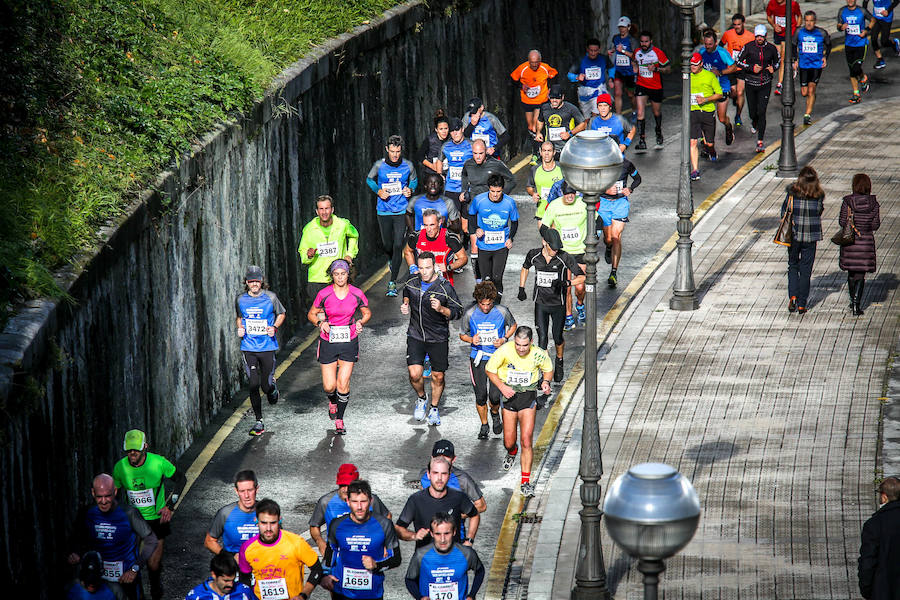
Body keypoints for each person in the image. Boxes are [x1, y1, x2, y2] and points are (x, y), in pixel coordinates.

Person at [112, 430, 185, 600]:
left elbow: (181, 479)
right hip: (133, 522)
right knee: (132, 566)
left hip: (156, 521)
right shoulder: (120, 467)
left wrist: (170, 506)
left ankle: (156, 587)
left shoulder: (158, 463)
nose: (132, 454)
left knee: (153, 565)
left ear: (145, 447)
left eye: (136, 450)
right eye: (129, 450)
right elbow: (115, 494)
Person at [486, 326, 553, 497]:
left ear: (531, 342)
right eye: (518, 344)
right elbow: (489, 369)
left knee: (526, 440)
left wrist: (546, 382)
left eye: (524, 345)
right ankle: (512, 452)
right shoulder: (505, 350)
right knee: (509, 441)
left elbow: (547, 368)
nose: (521, 349)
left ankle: (525, 481)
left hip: (528, 398)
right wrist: (502, 387)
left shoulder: (538, 353)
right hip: (509, 399)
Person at [68, 474, 158, 600]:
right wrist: (75, 552)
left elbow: (151, 540)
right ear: (93, 493)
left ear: (115, 491)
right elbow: (76, 537)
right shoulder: (87, 512)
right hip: (97, 579)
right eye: (99, 497)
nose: (103, 501)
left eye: (107, 496)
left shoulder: (129, 513)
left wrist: (135, 569)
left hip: (126, 580)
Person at [308, 260, 370, 434]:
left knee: (343, 383)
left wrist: (360, 322)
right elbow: (312, 314)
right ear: (332, 275)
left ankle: (340, 420)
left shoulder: (357, 293)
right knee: (329, 386)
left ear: (348, 274)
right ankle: (333, 401)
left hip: (348, 340)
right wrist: (321, 323)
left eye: (343, 273)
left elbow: (366, 312)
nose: (340, 277)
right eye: (336, 274)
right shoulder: (324, 294)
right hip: (328, 341)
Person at [401, 251, 464, 425]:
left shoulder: (444, 286)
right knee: (415, 375)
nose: (424, 272)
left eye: (428, 268)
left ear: (435, 266)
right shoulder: (412, 281)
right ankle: (422, 398)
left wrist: (442, 310)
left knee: (438, 377)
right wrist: (406, 303)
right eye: (421, 268)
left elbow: (458, 310)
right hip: (415, 335)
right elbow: (407, 291)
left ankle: (434, 408)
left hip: (438, 337)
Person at [518, 228, 584, 382]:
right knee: (542, 339)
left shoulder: (564, 257)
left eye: (557, 248)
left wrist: (568, 282)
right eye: (552, 247)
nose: (555, 250)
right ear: (544, 243)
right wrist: (521, 288)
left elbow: (581, 277)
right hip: (540, 303)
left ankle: (559, 361)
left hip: (558, 304)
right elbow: (525, 267)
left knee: (557, 337)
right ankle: (544, 372)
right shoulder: (534, 254)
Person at [323, 480, 401, 600]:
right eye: (354, 501)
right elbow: (330, 554)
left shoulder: (384, 524)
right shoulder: (337, 524)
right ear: (348, 502)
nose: (359, 507)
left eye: (363, 501)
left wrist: (377, 565)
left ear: (371, 501)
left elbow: (396, 559)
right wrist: (324, 575)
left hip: (372, 594)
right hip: (342, 594)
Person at [459, 281, 517, 439]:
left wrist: (504, 338)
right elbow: (462, 334)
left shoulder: (501, 311)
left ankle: (495, 413)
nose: (485, 307)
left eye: (489, 304)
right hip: (478, 358)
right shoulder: (470, 313)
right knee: (481, 395)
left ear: (493, 301)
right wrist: (472, 340)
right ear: (477, 301)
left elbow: (513, 325)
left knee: (494, 396)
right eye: (482, 304)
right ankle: (484, 425)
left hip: (497, 360)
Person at [238, 498, 325, 600]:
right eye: (264, 523)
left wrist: (303, 595)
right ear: (256, 521)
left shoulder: (296, 543)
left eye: (273, 523)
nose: (268, 528)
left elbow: (317, 570)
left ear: (280, 520)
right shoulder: (247, 547)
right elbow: (244, 580)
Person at [236, 265, 286, 436]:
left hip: (267, 346)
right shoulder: (241, 299)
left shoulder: (270, 298)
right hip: (249, 347)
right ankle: (259, 421)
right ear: (247, 283)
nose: (254, 284)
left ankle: (272, 389)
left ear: (261, 281)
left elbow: (281, 314)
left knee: (265, 386)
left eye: (257, 281)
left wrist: (274, 327)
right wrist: (240, 328)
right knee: (253, 384)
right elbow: (240, 317)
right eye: (251, 281)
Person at [366, 135, 417, 297]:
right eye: (392, 151)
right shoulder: (379, 165)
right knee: (387, 245)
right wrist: (378, 190)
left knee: (397, 245)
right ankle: (391, 259)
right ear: (387, 150)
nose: (395, 155)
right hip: (383, 210)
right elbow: (369, 179)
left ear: (401, 151)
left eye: (398, 152)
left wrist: (410, 189)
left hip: (401, 210)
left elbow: (414, 180)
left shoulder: (408, 165)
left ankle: (392, 282)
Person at [395, 456, 480, 548]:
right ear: (428, 474)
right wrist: (414, 536)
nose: (439, 478)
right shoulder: (416, 500)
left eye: (443, 474)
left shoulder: (459, 497)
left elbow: (475, 515)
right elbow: (399, 528)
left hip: (453, 558)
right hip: (426, 559)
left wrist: (469, 540)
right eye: (435, 473)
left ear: (449, 475)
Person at [460, 140, 516, 279]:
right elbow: (464, 175)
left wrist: (500, 196)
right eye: (475, 153)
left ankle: (492, 276)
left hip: (491, 212)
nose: (477, 157)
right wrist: (464, 191)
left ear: (486, 152)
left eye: (480, 153)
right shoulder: (468, 164)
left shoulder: (495, 164)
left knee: (491, 245)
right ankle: (479, 283)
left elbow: (512, 180)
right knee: (475, 246)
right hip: (474, 209)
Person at [309, 464, 392, 556]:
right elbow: (314, 526)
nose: (345, 489)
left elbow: (387, 517)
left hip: (367, 552)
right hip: (337, 553)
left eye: (349, 485)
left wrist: (384, 543)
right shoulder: (326, 502)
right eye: (342, 485)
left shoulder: (371, 501)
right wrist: (320, 542)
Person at [404, 513, 486, 600]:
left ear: (454, 532)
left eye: (447, 533)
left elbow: (480, 571)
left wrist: (471, 595)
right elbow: (409, 579)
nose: (442, 540)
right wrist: (420, 597)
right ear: (431, 534)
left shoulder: (467, 553)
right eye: (438, 534)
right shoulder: (421, 554)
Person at [541, 181, 588, 328]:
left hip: (580, 250)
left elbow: (598, 220)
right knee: (566, 287)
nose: (570, 197)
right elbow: (544, 227)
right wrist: (551, 242)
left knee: (580, 287)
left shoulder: (583, 203)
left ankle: (580, 304)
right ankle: (568, 316)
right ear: (562, 193)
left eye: (573, 194)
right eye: (567, 194)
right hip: (564, 252)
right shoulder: (554, 205)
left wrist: (596, 236)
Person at [298, 195, 360, 301]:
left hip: (338, 277)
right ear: (317, 211)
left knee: (338, 313)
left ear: (332, 210)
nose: (324, 212)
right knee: (320, 315)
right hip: (317, 279)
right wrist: (308, 256)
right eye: (321, 209)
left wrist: (350, 254)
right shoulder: (309, 229)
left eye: (327, 208)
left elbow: (354, 236)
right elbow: (302, 253)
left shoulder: (342, 224)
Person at [781, 166, 825, 314]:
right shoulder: (818, 195)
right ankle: (802, 304)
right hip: (811, 237)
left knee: (793, 265)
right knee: (806, 270)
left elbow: (784, 212)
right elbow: (819, 211)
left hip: (793, 235)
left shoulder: (792, 194)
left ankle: (793, 295)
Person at [468, 173, 519, 297]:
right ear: (488, 188)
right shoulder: (479, 200)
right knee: (486, 280)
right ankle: (486, 305)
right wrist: (476, 229)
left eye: (498, 191)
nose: (495, 194)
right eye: (492, 191)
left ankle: (496, 305)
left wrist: (511, 238)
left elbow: (514, 222)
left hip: (501, 246)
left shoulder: (509, 202)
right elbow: (471, 215)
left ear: (502, 189)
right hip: (484, 246)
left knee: (497, 278)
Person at [838, 173, 881, 316]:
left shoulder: (848, 202)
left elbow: (842, 222)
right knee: (861, 274)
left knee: (851, 272)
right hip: (866, 242)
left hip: (850, 241)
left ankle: (852, 301)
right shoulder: (873, 204)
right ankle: (857, 304)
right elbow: (875, 225)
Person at [599, 157, 641, 288]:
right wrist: (605, 190)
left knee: (616, 236)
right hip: (604, 203)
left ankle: (613, 272)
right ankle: (608, 246)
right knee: (609, 239)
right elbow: (590, 183)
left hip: (620, 203)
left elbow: (638, 179)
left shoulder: (627, 164)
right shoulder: (600, 163)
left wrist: (630, 189)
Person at [737, 25, 779, 153]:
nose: (759, 38)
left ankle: (760, 141)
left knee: (762, 111)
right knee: (752, 112)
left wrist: (774, 68)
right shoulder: (749, 47)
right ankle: (754, 121)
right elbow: (738, 60)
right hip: (750, 83)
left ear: (766, 36)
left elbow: (778, 61)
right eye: (757, 36)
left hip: (765, 84)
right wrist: (750, 68)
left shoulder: (771, 48)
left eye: (761, 36)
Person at [510, 50, 558, 162]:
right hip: (527, 101)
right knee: (531, 127)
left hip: (541, 100)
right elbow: (512, 79)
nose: (534, 65)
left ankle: (537, 152)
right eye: (532, 62)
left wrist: (550, 89)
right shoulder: (522, 69)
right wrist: (522, 85)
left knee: (537, 125)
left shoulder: (545, 68)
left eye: (536, 62)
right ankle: (536, 146)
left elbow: (554, 75)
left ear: (540, 61)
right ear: (528, 61)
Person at [858, 476, 900, 599]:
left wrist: (866, 588)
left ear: (884, 496)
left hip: (884, 590)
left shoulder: (874, 525)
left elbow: (868, 561)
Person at [405, 209, 467, 287]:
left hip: (443, 285)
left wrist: (449, 267)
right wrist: (413, 267)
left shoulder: (450, 238)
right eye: (426, 225)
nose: (428, 229)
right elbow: (407, 251)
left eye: (432, 225)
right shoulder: (416, 236)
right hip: (422, 284)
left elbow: (463, 258)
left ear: (439, 222)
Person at [205, 470, 260, 556]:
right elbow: (209, 541)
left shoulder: (267, 511)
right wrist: (229, 558)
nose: (246, 496)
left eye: (250, 490)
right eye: (242, 491)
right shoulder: (225, 513)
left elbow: (279, 540)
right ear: (236, 491)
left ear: (257, 489)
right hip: (234, 566)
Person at [632, 30, 671, 151]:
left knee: (656, 112)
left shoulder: (657, 53)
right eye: (642, 41)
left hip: (655, 87)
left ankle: (658, 131)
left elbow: (668, 69)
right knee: (640, 112)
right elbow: (634, 61)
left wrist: (656, 69)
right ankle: (642, 139)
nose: (644, 44)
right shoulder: (637, 52)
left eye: (646, 41)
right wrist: (635, 68)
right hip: (641, 85)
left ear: (651, 41)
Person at [697, 29, 736, 145]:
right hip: (708, 89)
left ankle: (729, 127)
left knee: (721, 118)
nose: (707, 47)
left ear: (715, 43)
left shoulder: (722, 53)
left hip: (722, 88)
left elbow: (733, 67)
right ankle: (707, 143)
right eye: (706, 44)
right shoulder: (702, 52)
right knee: (706, 118)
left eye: (710, 44)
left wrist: (720, 72)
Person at [689, 52, 724, 181]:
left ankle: (712, 150)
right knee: (692, 142)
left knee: (709, 144)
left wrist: (705, 99)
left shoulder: (710, 76)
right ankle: (695, 170)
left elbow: (719, 94)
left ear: (701, 64)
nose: (692, 67)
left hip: (708, 112)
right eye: (691, 64)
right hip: (693, 112)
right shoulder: (688, 76)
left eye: (695, 65)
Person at [792, 11, 832, 125]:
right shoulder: (799, 32)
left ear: (815, 21)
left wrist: (825, 57)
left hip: (816, 65)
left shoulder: (822, 33)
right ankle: (811, 96)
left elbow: (829, 45)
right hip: (804, 65)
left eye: (811, 21)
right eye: (807, 21)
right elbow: (793, 45)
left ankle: (807, 114)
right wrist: (795, 59)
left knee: (811, 89)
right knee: (804, 92)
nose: (809, 23)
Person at [720, 13, 756, 127]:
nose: (737, 27)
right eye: (734, 25)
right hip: (731, 68)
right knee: (733, 92)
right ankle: (734, 98)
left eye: (739, 24)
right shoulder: (728, 34)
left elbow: (755, 50)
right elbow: (720, 47)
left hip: (743, 68)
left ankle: (738, 115)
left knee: (740, 92)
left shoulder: (750, 36)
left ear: (743, 23)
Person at [568, 37, 616, 119]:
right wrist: (577, 77)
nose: (593, 53)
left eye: (596, 50)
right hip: (585, 92)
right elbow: (569, 75)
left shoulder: (603, 58)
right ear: (587, 49)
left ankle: (597, 129)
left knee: (596, 113)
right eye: (591, 50)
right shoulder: (581, 60)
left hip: (599, 90)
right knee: (586, 118)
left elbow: (611, 68)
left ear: (599, 49)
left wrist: (611, 78)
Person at [838, 0, 874, 104]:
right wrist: (841, 27)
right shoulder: (842, 11)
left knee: (856, 68)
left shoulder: (862, 11)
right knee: (852, 71)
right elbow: (839, 25)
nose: (850, 0)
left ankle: (863, 77)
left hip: (860, 44)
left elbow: (873, 20)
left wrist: (866, 30)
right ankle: (856, 94)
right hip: (849, 45)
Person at [534, 84, 585, 157]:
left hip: (566, 147)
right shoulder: (545, 108)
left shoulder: (570, 108)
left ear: (562, 97)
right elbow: (540, 120)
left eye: (557, 98)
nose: (554, 100)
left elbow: (583, 124)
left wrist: (570, 133)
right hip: (550, 148)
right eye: (552, 98)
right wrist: (538, 132)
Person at [766, 0, 802, 95]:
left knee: (782, 57)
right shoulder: (772, 3)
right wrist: (773, 25)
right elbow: (769, 16)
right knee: (777, 57)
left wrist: (797, 29)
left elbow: (799, 16)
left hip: (789, 33)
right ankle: (792, 62)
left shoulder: (793, 4)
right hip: (778, 33)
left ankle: (780, 84)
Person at [185, 552, 255, 600]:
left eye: (233, 580)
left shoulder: (244, 592)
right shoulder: (197, 596)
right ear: (214, 575)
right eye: (226, 580)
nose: (230, 584)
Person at [441, 118, 474, 216]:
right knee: (453, 222)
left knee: (466, 225)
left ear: (462, 129)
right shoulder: (445, 147)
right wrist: (441, 174)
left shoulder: (471, 145)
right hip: (451, 189)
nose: (455, 133)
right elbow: (439, 162)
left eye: (457, 129)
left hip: (467, 189)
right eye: (452, 131)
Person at [608, 17, 639, 115]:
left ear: (628, 27)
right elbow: (615, 47)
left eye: (624, 27)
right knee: (617, 93)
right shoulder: (616, 38)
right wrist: (612, 50)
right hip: (619, 71)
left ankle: (634, 111)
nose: (621, 29)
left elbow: (635, 56)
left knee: (631, 95)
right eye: (620, 27)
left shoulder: (632, 40)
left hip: (629, 71)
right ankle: (618, 116)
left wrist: (623, 51)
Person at [527, 141, 564, 223]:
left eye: (549, 151)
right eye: (544, 151)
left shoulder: (561, 168)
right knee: (545, 235)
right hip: (542, 212)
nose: (546, 154)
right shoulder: (534, 169)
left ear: (554, 152)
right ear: (540, 152)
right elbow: (529, 186)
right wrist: (533, 194)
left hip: (559, 213)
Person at [865, 0, 900, 69]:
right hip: (876, 18)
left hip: (886, 18)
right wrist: (868, 16)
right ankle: (880, 60)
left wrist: (888, 10)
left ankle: (894, 43)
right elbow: (865, 2)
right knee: (873, 38)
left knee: (884, 42)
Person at [415, 110, 450, 176]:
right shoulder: (430, 140)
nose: (444, 131)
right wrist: (432, 166)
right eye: (441, 129)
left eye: (446, 128)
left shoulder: (451, 139)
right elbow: (420, 156)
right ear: (436, 129)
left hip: (448, 173)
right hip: (432, 174)